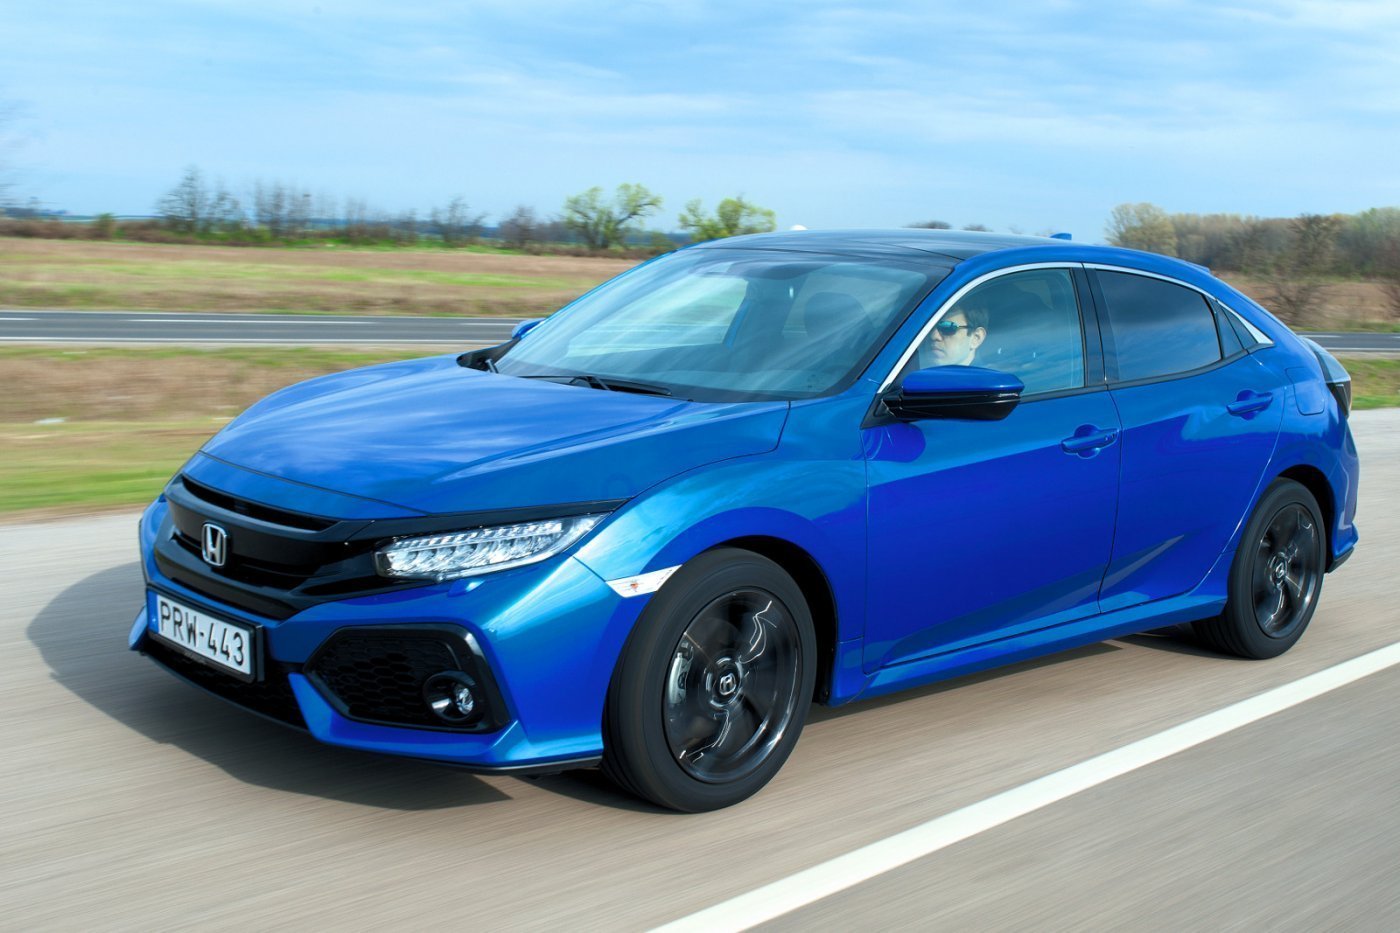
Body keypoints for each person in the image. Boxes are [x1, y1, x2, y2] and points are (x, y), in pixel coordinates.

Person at [927, 301, 988, 367]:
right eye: (929, 328)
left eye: (947, 328)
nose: (934, 336)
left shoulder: (988, 373)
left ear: (976, 338)